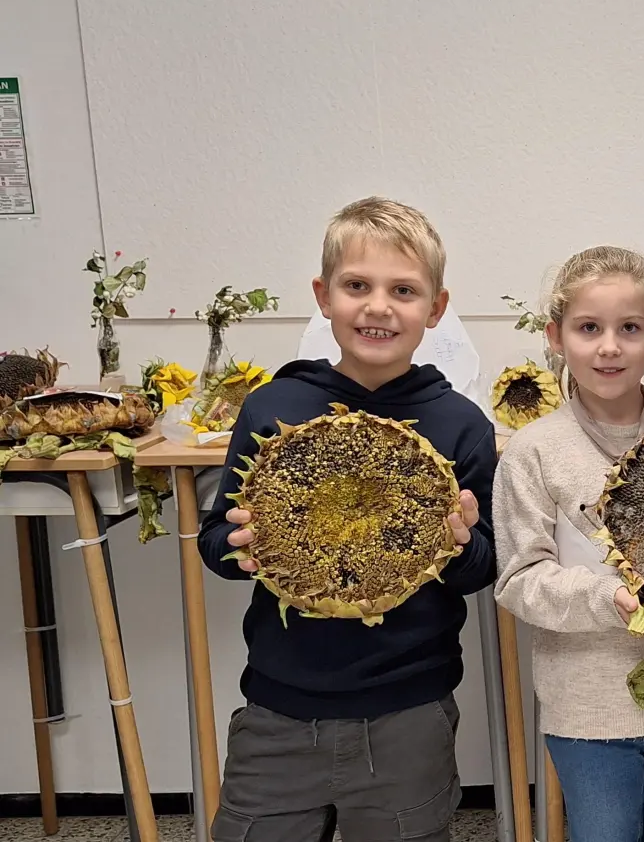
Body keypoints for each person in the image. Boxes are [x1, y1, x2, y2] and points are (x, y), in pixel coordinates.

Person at [199, 196, 498, 842]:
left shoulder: (460, 426)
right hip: (279, 706)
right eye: (357, 285)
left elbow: (484, 566)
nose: (378, 306)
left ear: (436, 308)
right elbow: (216, 535)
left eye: (404, 290)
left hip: (406, 709)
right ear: (323, 295)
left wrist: (461, 545)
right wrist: (237, 546)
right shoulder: (275, 408)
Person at [494, 246, 644, 842]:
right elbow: (520, 579)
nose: (609, 346)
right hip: (586, 706)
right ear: (556, 336)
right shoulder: (534, 452)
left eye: (629, 328)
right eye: (588, 328)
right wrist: (607, 599)